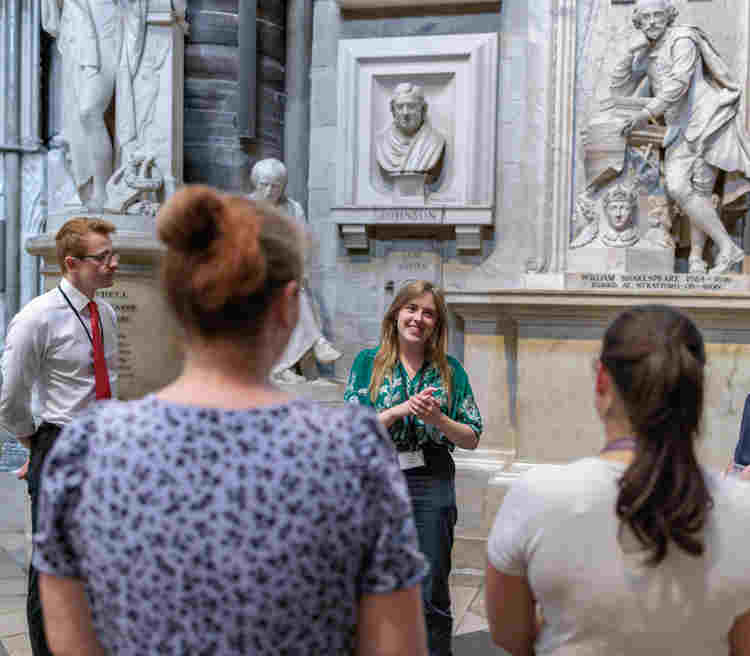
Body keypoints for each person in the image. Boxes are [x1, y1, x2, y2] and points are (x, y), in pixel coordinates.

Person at [32, 186, 430, 656]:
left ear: (176, 302)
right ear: (287, 304)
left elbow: (72, 644)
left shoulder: (86, 449)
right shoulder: (351, 449)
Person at [485, 305, 750, 655]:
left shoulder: (536, 496)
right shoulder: (743, 510)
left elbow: (510, 636)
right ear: (696, 393)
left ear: (602, 381)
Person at [0, 217, 119, 656]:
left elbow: (105, 385)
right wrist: (35, 443)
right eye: (102, 257)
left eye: (113, 254)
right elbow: (9, 395)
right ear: (71, 263)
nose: (114, 264)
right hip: (59, 442)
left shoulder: (103, 312)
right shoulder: (36, 318)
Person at [345, 280, 483, 656]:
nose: (418, 318)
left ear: (436, 324)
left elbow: (471, 436)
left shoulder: (450, 370)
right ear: (396, 314)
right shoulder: (366, 363)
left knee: (431, 585)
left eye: (428, 313)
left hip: (432, 480)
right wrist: (398, 410)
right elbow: (352, 430)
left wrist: (439, 419)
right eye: (411, 309)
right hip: (378, 478)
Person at [615, 0, 750, 274]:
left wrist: (644, 114)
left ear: (669, 16)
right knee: (682, 189)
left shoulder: (683, 38)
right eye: (646, 18)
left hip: (706, 120)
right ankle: (723, 249)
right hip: (679, 128)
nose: (652, 22)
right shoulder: (649, 51)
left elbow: (679, 84)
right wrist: (629, 52)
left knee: (694, 190)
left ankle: (701, 258)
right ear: (638, 23)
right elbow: (618, 86)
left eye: (658, 15)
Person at [41, 0, 146, 209]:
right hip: (77, 25)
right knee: (81, 117)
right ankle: (91, 189)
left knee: (90, 111)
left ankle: (103, 192)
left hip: (105, 22)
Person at [248, 158, 341, 384]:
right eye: (264, 184)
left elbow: (303, 244)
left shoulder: (293, 208)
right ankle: (315, 345)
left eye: (276, 185)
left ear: (283, 186)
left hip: (284, 273)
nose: (270, 190)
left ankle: (285, 365)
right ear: (255, 183)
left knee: (292, 291)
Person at [375, 83, 446, 183]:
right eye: (399, 107)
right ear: (392, 110)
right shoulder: (382, 142)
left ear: (423, 109)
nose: (405, 113)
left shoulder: (435, 141)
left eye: (411, 106)